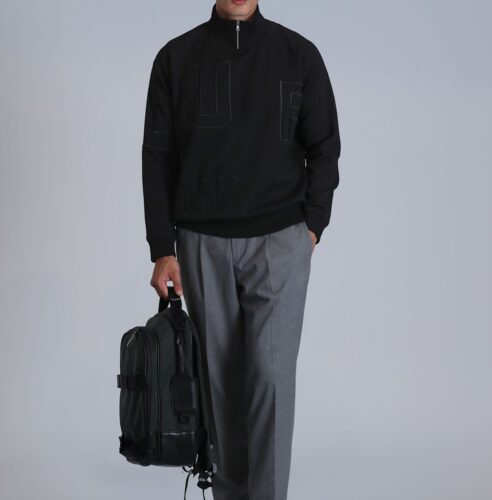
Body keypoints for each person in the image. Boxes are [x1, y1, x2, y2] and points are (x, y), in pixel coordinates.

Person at [141, 1, 341, 498]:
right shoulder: (175, 58)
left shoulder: (299, 55)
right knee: (220, 387)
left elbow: (324, 146)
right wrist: (162, 246)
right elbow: (157, 155)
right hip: (201, 243)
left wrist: (312, 228)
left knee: (271, 382)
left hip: (280, 240)